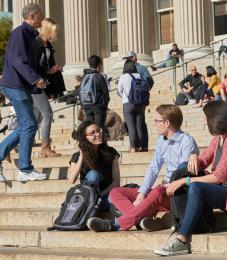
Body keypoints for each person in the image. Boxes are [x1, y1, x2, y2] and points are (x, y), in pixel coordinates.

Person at [154, 101, 227, 256]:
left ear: (216, 118)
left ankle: (182, 239)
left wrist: (184, 181)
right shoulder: (218, 139)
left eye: (206, 117)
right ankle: (184, 223)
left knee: (195, 186)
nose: (204, 121)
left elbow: (218, 177)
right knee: (184, 168)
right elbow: (203, 160)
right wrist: (194, 156)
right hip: (222, 189)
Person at [85, 104, 199, 233]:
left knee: (160, 189)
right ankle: (141, 219)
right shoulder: (162, 140)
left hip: (176, 193)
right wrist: (141, 194)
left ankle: (116, 224)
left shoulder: (187, 141)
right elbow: (153, 169)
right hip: (162, 191)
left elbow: (181, 174)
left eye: (157, 121)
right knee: (116, 193)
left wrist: (164, 187)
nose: (155, 124)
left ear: (167, 123)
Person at [0, 3, 48, 182]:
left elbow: (28, 63)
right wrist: (35, 78)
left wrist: (44, 74)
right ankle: (25, 168)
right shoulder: (20, 32)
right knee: (29, 125)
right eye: (40, 16)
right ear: (32, 16)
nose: (42, 19)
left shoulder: (30, 35)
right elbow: (17, 60)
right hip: (14, 85)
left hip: (20, 85)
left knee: (25, 126)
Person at [68, 121, 120, 212]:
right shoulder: (77, 156)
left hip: (104, 196)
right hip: (87, 198)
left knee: (117, 200)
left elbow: (116, 183)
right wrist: (82, 155)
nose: (98, 134)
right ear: (85, 138)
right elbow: (71, 179)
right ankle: (91, 210)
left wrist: (100, 195)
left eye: (98, 131)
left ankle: (99, 216)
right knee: (93, 174)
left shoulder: (111, 153)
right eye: (92, 133)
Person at [32, 17, 61, 158]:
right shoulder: (36, 43)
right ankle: (45, 147)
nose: (54, 34)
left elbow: (44, 67)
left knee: (35, 118)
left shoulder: (47, 45)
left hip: (42, 84)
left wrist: (52, 70)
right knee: (47, 114)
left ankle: (13, 144)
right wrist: (48, 71)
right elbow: (32, 66)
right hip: (34, 85)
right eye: (53, 30)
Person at [122, 51, 151, 151]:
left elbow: (149, 81)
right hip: (139, 102)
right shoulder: (128, 70)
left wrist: (143, 93)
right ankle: (141, 146)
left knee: (138, 124)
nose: (127, 60)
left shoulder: (141, 68)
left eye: (128, 58)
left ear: (134, 57)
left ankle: (139, 146)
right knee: (139, 124)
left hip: (132, 101)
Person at [117, 60, 148, 152]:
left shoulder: (123, 77)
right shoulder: (139, 76)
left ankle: (134, 147)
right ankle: (143, 146)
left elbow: (119, 91)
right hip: (140, 103)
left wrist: (124, 96)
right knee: (140, 125)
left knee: (131, 126)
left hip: (128, 103)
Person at [81, 55, 110, 134]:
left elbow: (80, 91)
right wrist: (105, 104)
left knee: (90, 129)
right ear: (99, 64)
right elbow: (105, 92)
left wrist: (83, 106)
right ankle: (100, 145)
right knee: (99, 129)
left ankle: (91, 145)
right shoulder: (99, 76)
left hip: (87, 105)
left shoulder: (84, 76)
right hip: (98, 106)